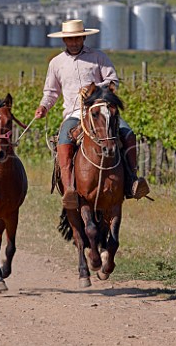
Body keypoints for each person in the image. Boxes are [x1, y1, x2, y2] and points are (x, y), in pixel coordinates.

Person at [35, 19, 149, 209]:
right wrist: (44, 107)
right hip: (74, 113)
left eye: (77, 38)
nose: (73, 42)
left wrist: (93, 88)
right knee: (64, 141)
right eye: (69, 39)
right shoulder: (56, 63)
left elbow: (113, 81)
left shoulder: (98, 57)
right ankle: (70, 188)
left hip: (101, 112)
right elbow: (51, 92)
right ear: (64, 40)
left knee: (128, 134)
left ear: (83, 37)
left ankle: (132, 181)